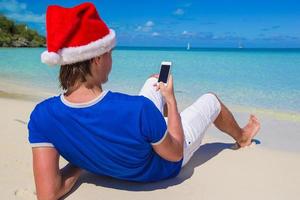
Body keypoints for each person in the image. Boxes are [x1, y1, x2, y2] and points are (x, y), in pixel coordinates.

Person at [28, 2, 260, 200]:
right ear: (97, 58)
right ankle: (242, 137)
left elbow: (48, 194)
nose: (111, 58)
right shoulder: (137, 110)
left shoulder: (42, 116)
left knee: (153, 81)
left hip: (115, 153)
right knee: (211, 100)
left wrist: (83, 160)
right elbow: (175, 153)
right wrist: (171, 100)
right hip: (160, 170)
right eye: (110, 52)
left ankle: (155, 126)